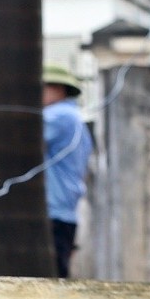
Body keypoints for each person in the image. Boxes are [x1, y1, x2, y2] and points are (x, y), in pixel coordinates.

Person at [42, 64, 93, 279]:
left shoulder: (58, 116)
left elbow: (20, 136)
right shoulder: (74, 119)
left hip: (54, 211)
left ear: (59, 89)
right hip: (64, 212)